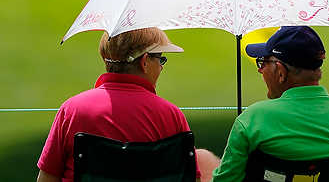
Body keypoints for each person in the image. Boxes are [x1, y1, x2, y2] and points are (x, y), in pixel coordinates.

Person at [37, 27, 219, 182]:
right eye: (160, 58)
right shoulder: (170, 114)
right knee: (204, 158)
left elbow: (46, 178)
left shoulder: (72, 110)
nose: (162, 66)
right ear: (145, 61)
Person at [211, 26, 329, 182]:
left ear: (281, 72)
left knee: (203, 159)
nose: (260, 70)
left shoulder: (252, 120)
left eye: (263, 62)